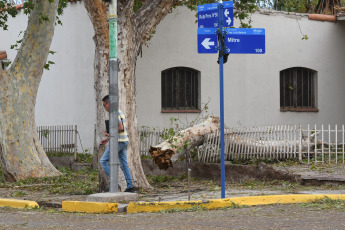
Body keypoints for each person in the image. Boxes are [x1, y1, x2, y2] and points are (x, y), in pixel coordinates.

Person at [100, 95, 135, 193]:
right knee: (124, 165)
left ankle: (115, 183)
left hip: (118, 143)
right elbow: (120, 130)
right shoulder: (119, 111)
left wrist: (110, 133)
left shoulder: (114, 112)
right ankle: (130, 187)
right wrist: (108, 138)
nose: (104, 107)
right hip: (123, 141)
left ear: (108, 103)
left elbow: (120, 128)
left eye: (104, 105)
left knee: (103, 161)